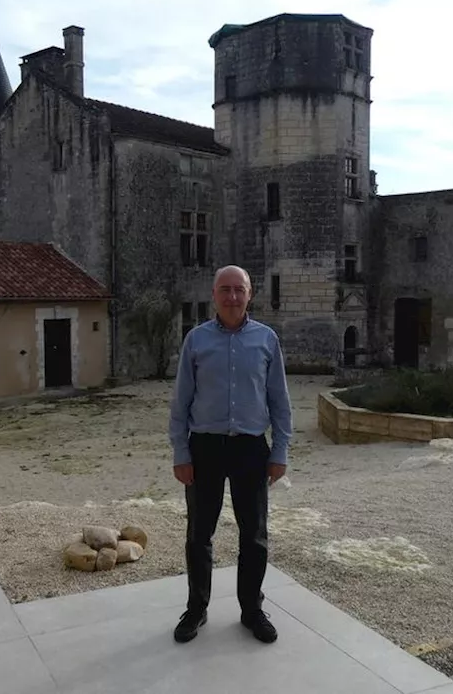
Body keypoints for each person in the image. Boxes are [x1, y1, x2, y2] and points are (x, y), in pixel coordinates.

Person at [168, 264, 292, 644]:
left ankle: (252, 610)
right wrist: (181, 452)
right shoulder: (196, 340)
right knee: (198, 535)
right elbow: (181, 402)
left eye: (239, 289)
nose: (233, 296)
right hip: (204, 448)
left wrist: (280, 451)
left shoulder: (267, 340)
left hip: (251, 449)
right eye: (225, 289)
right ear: (214, 294)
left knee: (253, 535)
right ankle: (197, 609)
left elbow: (279, 402)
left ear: (250, 294)